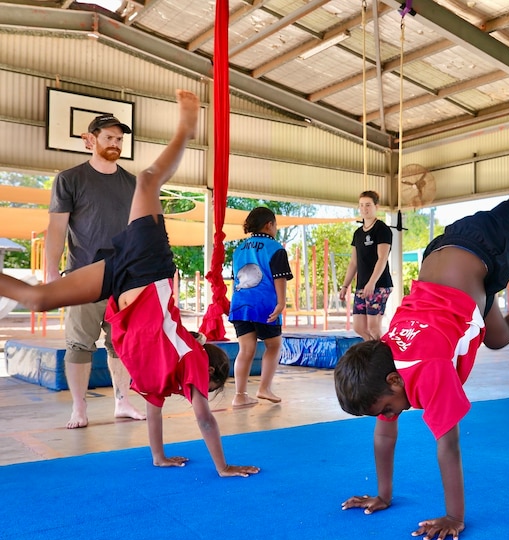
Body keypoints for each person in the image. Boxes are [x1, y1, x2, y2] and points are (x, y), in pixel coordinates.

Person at [334, 109, 509, 540]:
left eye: (389, 408)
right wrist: (383, 495)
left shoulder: (426, 372)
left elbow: (448, 445)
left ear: (393, 380)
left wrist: (453, 516)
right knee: (499, 337)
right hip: (446, 258)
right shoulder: (385, 353)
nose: (392, 416)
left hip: (479, 251)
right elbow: (383, 434)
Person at [0, 90, 259, 477]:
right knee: (149, 180)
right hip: (147, 269)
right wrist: (223, 467)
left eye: (121, 138)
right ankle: (186, 128)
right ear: (203, 375)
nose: (199, 397)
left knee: (37, 300)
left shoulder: (159, 380)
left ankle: (186, 129)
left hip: (117, 278)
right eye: (111, 137)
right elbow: (205, 421)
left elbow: (155, 418)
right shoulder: (190, 360)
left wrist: (159, 456)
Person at [46, 110, 146, 428]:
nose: (115, 143)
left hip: (125, 279)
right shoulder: (70, 179)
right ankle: (79, 408)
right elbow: (57, 229)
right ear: (90, 140)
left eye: (119, 139)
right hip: (83, 277)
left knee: (121, 342)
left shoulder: (133, 183)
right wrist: (51, 274)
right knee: (79, 344)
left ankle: (122, 401)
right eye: (109, 138)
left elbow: (142, 231)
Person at [228, 207, 293, 407]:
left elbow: (235, 279)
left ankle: (239, 395)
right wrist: (281, 303)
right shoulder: (275, 248)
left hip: (240, 305)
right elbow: (279, 278)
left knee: (245, 349)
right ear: (269, 225)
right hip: (264, 305)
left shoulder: (239, 249)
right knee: (273, 345)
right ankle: (264, 388)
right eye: (275, 225)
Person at [338, 191, 393, 340]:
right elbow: (354, 262)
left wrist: (372, 282)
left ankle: (384, 358)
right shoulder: (357, 233)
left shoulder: (382, 229)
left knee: (373, 327)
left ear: (376, 206)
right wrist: (345, 286)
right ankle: (374, 354)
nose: (364, 208)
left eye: (368, 205)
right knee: (359, 327)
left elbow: (382, 258)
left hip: (379, 284)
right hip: (362, 285)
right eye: (361, 205)